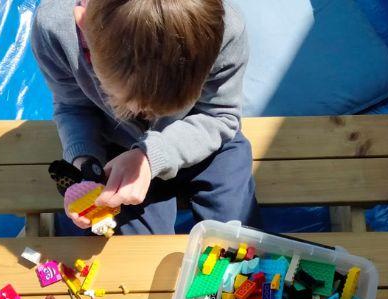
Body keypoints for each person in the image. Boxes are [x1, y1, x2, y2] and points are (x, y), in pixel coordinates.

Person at [31, 0, 260, 235]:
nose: (144, 116)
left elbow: (219, 115)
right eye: (124, 102)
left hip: (199, 133)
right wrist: (87, 165)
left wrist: (151, 156)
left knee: (238, 238)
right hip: (117, 149)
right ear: (83, 25)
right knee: (135, 253)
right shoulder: (55, 27)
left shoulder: (222, 27)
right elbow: (74, 107)